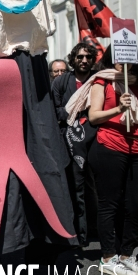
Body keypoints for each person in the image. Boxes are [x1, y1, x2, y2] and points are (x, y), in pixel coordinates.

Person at [75, 45, 138, 275]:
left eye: (127, 56)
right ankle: (108, 257)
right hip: (109, 147)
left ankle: (128, 254)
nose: (122, 61)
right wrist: (120, 107)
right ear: (112, 58)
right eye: (118, 56)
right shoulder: (103, 81)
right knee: (110, 204)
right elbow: (94, 116)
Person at [51, 43, 99, 246]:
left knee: (97, 188)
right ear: (74, 59)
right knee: (76, 188)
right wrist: (75, 110)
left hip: (97, 140)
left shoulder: (99, 82)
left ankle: (97, 229)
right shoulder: (62, 82)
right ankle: (80, 233)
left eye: (88, 57)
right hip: (70, 142)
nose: (84, 60)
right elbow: (53, 109)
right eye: (80, 57)